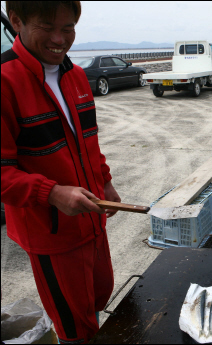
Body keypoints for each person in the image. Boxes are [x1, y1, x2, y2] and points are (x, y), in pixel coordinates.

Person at [1, 1, 121, 343]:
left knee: (99, 297)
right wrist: (52, 193)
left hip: (92, 218)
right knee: (74, 324)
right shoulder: (5, 81)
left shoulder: (76, 75)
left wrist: (106, 182)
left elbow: (90, 143)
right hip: (51, 233)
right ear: (17, 21)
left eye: (68, 29)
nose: (59, 39)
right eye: (47, 27)